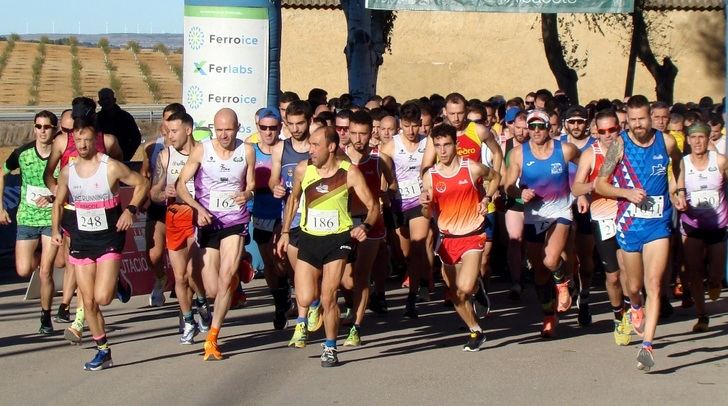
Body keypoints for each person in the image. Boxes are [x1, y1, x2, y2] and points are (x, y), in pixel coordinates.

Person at [276, 126, 379, 367]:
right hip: (309, 238)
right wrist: (284, 232)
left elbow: (373, 206)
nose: (310, 150)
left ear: (331, 147)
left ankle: (330, 347)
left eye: (315, 145)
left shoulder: (349, 173)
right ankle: (313, 312)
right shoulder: (304, 169)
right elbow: (293, 199)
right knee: (305, 296)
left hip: (337, 240)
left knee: (329, 294)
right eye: (310, 144)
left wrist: (364, 227)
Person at [51, 117, 149, 370]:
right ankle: (103, 350)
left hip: (108, 237)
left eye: (87, 139)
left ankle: (117, 281)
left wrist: (130, 210)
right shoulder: (67, 171)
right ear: (73, 141)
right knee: (89, 301)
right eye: (78, 139)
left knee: (103, 298)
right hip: (82, 238)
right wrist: (56, 230)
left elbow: (142, 183)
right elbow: (58, 201)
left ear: (96, 141)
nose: (82, 144)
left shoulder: (110, 167)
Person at [595, 95, 682, 371]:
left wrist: (677, 190)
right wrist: (625, 193)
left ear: (652, 116)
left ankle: (647, 345)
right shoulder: (619, 145)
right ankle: (635, 306)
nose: (637, 124)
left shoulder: (666, 142)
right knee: (634, 287)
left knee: (654, 284)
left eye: (641, 119)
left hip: (658, 223)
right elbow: (600, 184)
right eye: (632, 120)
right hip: (630, 224)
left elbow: (678, 165)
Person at [175, 108, 256, 361]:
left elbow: (251, 183)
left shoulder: (246, 151)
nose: (223, 135)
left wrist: (247, 194)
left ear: (237, 127)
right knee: (211, 288)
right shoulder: (202, 150)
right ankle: (240, 271)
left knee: (224, 280)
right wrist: (197, 208)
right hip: (209, 221)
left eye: (228, 130)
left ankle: (212, 337)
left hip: (235, 220)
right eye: (219, 130)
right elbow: (181, 184)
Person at [44, 97, 123, 344]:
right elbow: (49, 173)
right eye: (72, 130)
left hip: (102, 211)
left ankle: (80, 315)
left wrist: (109, 188)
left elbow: (122, 163)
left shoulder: (107, 140)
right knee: (65, 262)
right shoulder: (61, 141)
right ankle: (83, 314)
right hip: (72, 209)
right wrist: (59, 192)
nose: (76, 137)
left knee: (95, 286)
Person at [505, 109, 580, 338]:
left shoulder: (565, 150)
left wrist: (583, 190)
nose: (536, 131)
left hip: (561, 211)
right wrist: (520, 192)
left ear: (549, 128)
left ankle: (564, 284)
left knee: (551, 259)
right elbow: (507, 185)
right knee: (539, 273)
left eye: (541, 126)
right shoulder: (518, 153)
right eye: (532, 126)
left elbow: (587, 164)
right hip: (534, 215)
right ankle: (549, 315)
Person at [420, 124, 492, 351]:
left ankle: (476, 287)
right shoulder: (430, 176)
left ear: (456, 145)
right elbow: (427, 213)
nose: (442, 150)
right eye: (438, 146)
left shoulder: (471, 168)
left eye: (447, 145)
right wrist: (425, 205)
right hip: (448, 238)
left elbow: (496, 175)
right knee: (455, 293)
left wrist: (486, 197)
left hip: (472, 234)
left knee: (464, 286)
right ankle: (475, 330)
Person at [149, 111, 211, 344]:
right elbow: (153, 192)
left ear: (188, 129)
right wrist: (163, 192)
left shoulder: (205, 153)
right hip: (175, 214)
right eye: (167, 131)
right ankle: (188, 320)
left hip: (198, 215)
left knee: (191, 272)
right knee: (179, 276)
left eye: (174, 131)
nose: (170, 136)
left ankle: (202, 301)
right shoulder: (166, 155)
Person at [572, 109, 632, 345]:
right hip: (604, 217)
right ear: (596, 131)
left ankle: (631, 310)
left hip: (629, 215)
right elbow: (576, 188)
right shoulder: (590, 154)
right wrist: (590, 189)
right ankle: (619, 316)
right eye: (603, 131)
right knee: (613, 275)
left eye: (612, 130)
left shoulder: (629, 150)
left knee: (630, 269)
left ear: (619, 128)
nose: (608, 135)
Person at [0, 110, 61, 334]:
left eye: (46, 127)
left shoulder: (61, 155)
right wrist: (1, 207)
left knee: (46, 272)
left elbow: (67, 185)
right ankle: (38, 256)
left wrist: (53, 197)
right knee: (24, 269)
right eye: (38, 126)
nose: (42, 131)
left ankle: (45, 316)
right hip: (26, 217)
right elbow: (2, 172)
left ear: (54, 130)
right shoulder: (23, 153)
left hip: (51, 219)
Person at [268, 101, 320, 347]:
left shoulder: (318, 146)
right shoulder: (280, 148)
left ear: (309, 121)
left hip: (319, 220)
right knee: (298, 273)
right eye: (292, 124)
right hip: (293, 220)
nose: (296, 128)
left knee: (311, 275)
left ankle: (313, 305)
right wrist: (276, 187)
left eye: (301, 123)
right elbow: (272, 179)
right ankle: (302, 320)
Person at [341, 110, 396, 346]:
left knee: (362, 275)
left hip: (371, 221)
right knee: (346, 280)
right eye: (353, 133)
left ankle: (356, 326)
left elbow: (392, 184)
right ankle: (354, 307)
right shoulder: (340, 160)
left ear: (370, 133)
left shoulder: (379, 159)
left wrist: (386, 194)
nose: (358, 138)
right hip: (344, 221)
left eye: (362, 134)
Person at [674, 122, 728, 333]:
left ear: (708, 139)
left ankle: (714, 282)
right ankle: (701, 315)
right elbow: (673, 189)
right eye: (693, 137)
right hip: (691, 224)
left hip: (718, 224)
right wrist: (677, 198)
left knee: (715, 275)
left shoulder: (721, 161)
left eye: (701, 137)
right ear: (687, 140)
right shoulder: (683, 164)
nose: (697, 142)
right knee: (695, 272)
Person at [380, 101, 430, 318]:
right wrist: (382, 199)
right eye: (407, 126)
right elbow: (383, 175)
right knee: (405, 254)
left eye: (415, 126)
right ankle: (412, 278)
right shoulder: (391, 145)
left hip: (419, 202)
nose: (411, 131)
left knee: (418, 248)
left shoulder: (428, 144)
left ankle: (412, 297)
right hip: (399, 203)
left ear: (421, 124)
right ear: (401, 124)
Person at [141, 103, 187, 308]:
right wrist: (146, 197)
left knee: (184, 258)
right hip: (158, 205)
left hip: (184, 207)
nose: (168, 128)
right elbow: (146, 174)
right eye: (165, 121)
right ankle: (160, 279)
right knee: (154, 253)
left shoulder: (193, 149)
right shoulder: (153, 147)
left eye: (172, 123)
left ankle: (186, 290)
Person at [248, 108, 290, 330]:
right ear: (258, 128)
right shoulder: (251, 152)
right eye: (263, 128)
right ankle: (280, 302)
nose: (268, 132)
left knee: (282, 258)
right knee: (269, 260)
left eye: (273, 128)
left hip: (284, 211)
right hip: (261, 210)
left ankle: (287, 288)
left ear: (280, 128)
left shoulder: (286, 150)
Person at [560, 105, 596, 326]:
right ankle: (569, 283)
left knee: (586, 256)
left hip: (589, 203)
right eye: (572, 121)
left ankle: (585, 297)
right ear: (566, 123)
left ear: (587, 123)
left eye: (580, 121)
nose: (576, 126)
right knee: (564, 252)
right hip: (563, 203)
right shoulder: (559, 144)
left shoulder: (596, 145)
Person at [96, 88, 142, 161]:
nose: (106, 101)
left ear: (114, 100)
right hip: (101, 161)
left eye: (108, 98)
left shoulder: (126, 117)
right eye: (103, 99)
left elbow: (136, 138)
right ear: (99, 102)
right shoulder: (96, 119)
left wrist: (125, 156)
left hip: (122, 160)